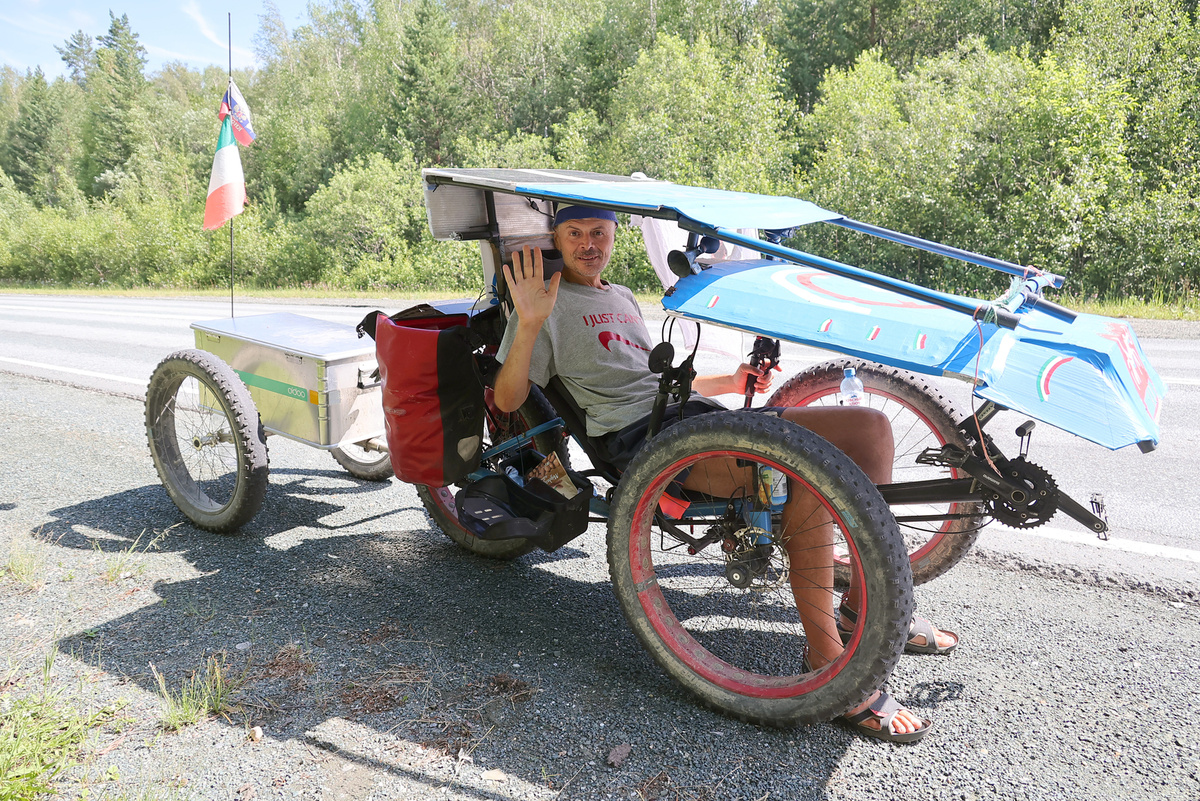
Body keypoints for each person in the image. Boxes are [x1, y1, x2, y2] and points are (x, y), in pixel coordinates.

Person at [494, 204, 955, 743]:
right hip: (647, 441)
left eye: (600, 232)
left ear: (615, 236)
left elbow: (656, 381)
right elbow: (509, 398)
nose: (589, 244)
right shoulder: (542, 304)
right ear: (557, 238)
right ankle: (830, 663)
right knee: (806, 477)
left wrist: (730, 379)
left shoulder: (618, 297)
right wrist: (526, 321)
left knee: (870, 429)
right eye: (575, 234)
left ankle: (861, 608)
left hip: (692, 417)